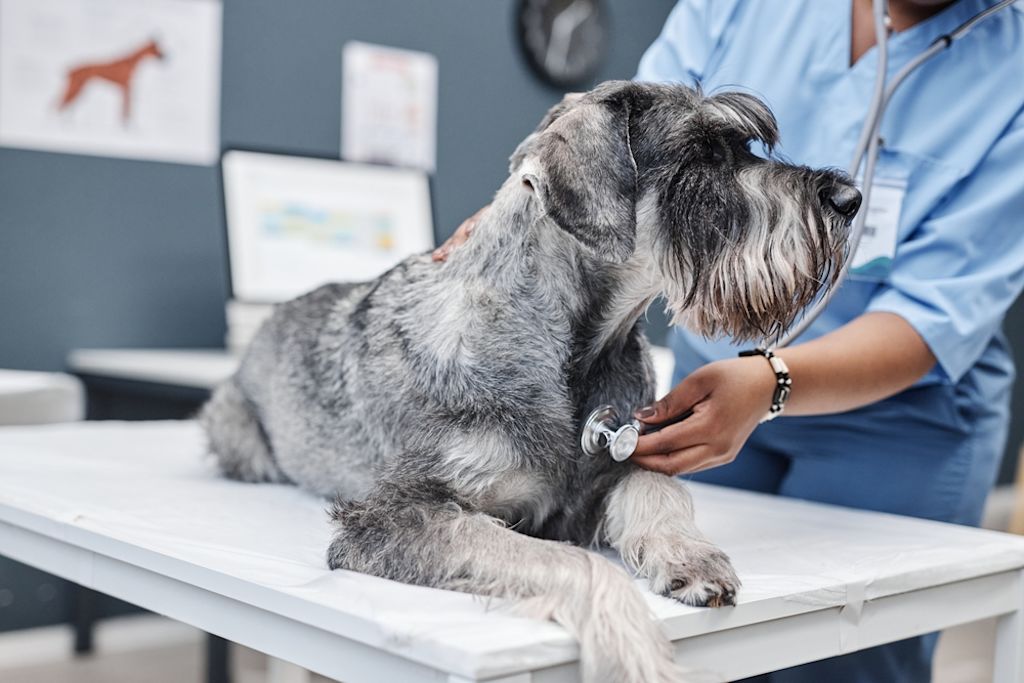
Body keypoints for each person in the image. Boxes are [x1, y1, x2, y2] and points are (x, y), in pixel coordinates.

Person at [437, 1, 1024, 680]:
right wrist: (514, 213)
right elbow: (623, 144)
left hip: (893, 425)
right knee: (700, 638)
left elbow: (933, 312)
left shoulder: (1010, 72)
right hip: (707, 391)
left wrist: (770, 382)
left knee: (845, 659)